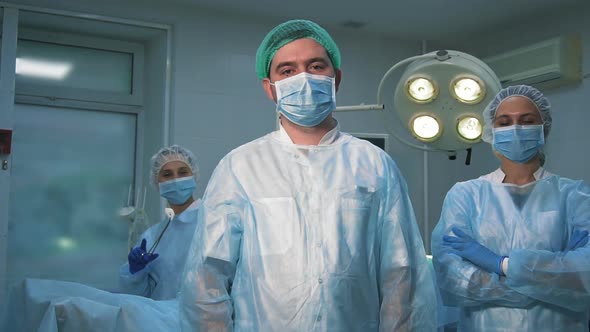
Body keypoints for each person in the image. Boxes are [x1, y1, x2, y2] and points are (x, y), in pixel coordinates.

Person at [179, 19, 436, 331]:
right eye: (287, 71)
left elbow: (401, 274)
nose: (302, 78)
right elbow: (208, 277)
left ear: (336, 78)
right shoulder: (240, 167)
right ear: (269, 87)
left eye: (315, 66)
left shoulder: (374, 165)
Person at [431, 84, 590, 331]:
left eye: (526, 121)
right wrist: (550, 281)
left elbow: (586, 273)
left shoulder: (575, 196)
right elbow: (453, 278)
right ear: (492, 131)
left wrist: (499, 264)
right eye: (504, 122)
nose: (515, 129)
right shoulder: (466, 195)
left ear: (543, 128)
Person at [119, 144, 201, 300]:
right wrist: (135, 273)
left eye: (183, 172)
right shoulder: (152, 237)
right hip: (162, 320)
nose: (176, 179)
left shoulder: (213, 222)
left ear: (194, 175)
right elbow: (137, 298)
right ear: (156, 182)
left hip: (208, 320)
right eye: (167, 174)